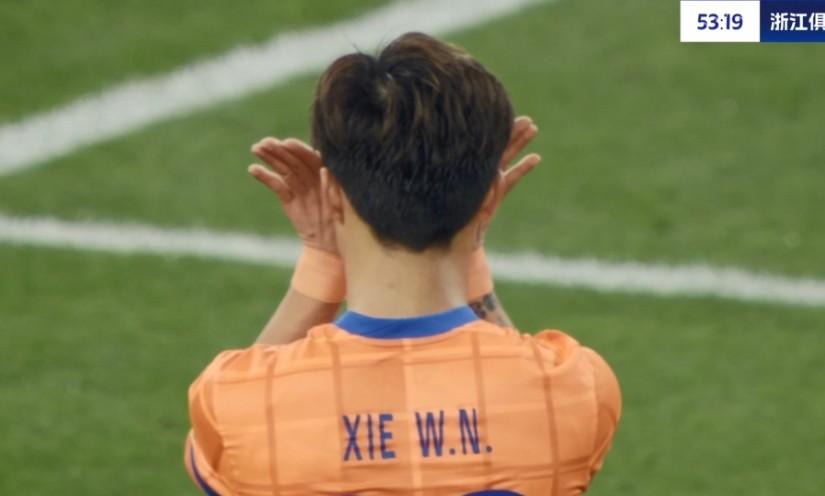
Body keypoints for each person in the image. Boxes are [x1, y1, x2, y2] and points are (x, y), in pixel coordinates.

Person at [184, 32, 620, 496]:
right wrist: (473, 250)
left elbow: (217, 454)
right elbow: (528, 396)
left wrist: (322, 262)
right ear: (489, 198)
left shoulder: (238, 405)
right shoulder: (574, 389)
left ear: (332, 194)